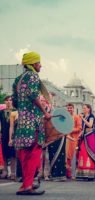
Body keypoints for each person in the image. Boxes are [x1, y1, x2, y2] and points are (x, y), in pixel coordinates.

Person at [12, 51, 51, 195]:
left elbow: (15, 101)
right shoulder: (33, 76)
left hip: (22, 122)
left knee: (24, 153)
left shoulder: (18, 79)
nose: (41, 65)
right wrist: (45, 112)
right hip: (33, 121)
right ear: (33, 64)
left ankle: (25, 185)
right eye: (39, 62)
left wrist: (24, 109)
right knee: (35, 152)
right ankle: (27, 186)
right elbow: (34, 95)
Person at [0, 96, 16, 180]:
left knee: (13, 154)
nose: (9, 102)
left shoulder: (15, 111)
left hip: (13, 135)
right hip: (4, 134)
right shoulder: (1, 112)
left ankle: (13, 172)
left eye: (10, 100)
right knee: (5, 153)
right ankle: (5, 171)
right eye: (7, 100)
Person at [66, 103, 82, 179]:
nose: (69, 109)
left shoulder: (76, 117)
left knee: (72, 156)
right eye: (68, 108)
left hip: (73, 139)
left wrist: (71, 130)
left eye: (70, 108)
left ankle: (73, 174)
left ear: (73, 109)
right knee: (66, 157)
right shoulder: (64, 117)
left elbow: (79, 128)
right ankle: (67, 173)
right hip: (65, 139)